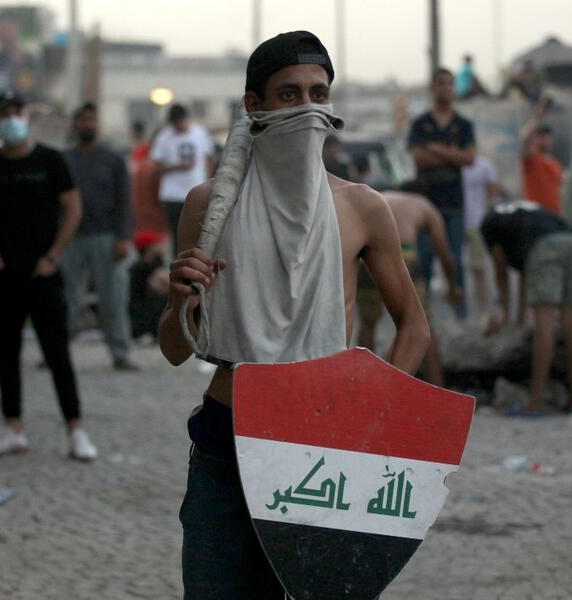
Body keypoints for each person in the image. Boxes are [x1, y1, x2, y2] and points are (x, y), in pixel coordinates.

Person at [159, 31, 429, 597]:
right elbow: (175, 347)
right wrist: (180, 298)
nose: (308, 107)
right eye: (289, 94)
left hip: (322, 446)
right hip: (224, 442)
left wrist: (377, 414)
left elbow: (414, 325)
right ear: (252, 107)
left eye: (319, 92)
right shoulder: (209, 207)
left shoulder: (361, 207)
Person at [0, 91, 97, 460]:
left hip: (43, 272)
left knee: (57, 352)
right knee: (6, 351)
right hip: (2, 272)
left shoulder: (50, 161)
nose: (11, 118)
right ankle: (12, 427)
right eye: (5, 113)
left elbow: (73, 208)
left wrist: (55, 254)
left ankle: (76, 430)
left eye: (17, 112)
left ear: (26, 116)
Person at [481, 200, 572, 415]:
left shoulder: (490, 224)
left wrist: (507, 318)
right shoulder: (526, 212)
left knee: (544, 324)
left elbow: (500, 269)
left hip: (544, 247)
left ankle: (536, 400)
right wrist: (518, 318)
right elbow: (524, 273)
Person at [357, 189, 462, 386]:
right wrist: (453, 286)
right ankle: (436, 389)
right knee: (418, 324)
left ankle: (361, 385)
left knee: (368, 323)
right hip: (403, 254)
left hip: (367, 255)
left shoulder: (379, 196)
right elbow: (444, 253)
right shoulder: (424, 205)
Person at [62, 102, 135, 370]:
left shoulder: (112, 159)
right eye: (81, 120)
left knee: (113, 298)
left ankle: (120, 353)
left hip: (106, 236)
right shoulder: (64, 160)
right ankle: (56, 352)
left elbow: (125, 201)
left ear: (97, 124)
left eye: (90, 120)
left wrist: (123, 238)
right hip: (70, 238)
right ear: (74, 125)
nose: (86, 125)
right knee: (67, 299)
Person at [408, 67, 476, 317]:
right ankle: (423, 319)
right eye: (441, 84)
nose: (446, 88)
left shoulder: (463, 125)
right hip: (426, 206)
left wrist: (437, 149)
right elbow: (419, 159)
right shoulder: (420, 124)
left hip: (454, 205)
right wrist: (452, 156)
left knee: (456, 263)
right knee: (424, 263)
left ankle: (461, 315)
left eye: (450, 84)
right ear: (432, 88)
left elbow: (470, 159)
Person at [149, 104, 214, 253]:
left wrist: (208, 181)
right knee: (177, 236)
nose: (179, 126)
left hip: (197, 192)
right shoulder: (164, 136)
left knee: (200, 235)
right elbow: (154, 166)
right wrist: (176, 167)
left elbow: (209, 158)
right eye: (176, 123)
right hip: (172, 195)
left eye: (181, 122)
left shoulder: (199, 132)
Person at [462, 155, 500, 324]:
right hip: (459, 222)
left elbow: (493, 192)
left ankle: (483, 311)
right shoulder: (453, 166)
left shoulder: (484, 166)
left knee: (478, 269)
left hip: (476, 222)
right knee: (463, 268)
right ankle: (466, 313)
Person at [521, 98, 562, 214]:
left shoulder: (555, 164)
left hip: (553, 214)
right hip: (535, 213)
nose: (545, 139)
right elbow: (524, 141)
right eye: (541, 136)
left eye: (547, 136)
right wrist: (538, 118)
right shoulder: (532, 159)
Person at [0, 10, 40, 99]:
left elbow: (38, 90)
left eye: (8, 29)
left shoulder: (31, 60)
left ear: (18, 28)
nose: (5, 34)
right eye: (2, 30)